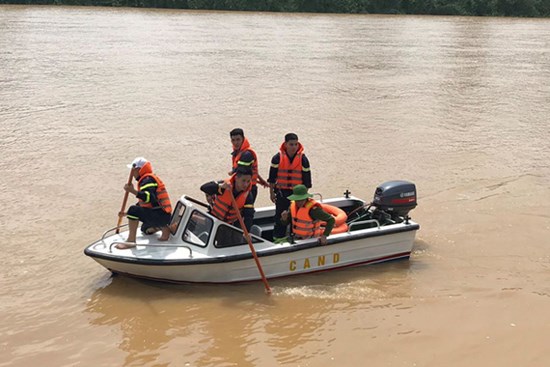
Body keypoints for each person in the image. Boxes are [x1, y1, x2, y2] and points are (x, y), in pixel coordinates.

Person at [116, 157, 172, 249]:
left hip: (161, 215)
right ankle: (164, 227)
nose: (132, 173)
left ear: (138, 169)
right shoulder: (148, 178)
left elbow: (149, 198)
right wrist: (125, 214)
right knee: (145, 229)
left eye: (133, 170)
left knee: (133, 210)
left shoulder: (147, 180)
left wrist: (132, 191)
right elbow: (144, 204)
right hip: (163, 215)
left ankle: (131, 241)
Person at [267, 133, 312, 243]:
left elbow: (307, 181)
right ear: (285, 144)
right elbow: (272, 178)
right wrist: (271, 193)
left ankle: (295, 238)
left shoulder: (303, 160)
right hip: (282, 193)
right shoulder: (277, 158)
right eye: (291, 144)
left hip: (298, 195)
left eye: (296, 144)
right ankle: (278, 239)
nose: (294, 147)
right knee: (280, 217)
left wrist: (303, 198)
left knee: (296, 217)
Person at [200, 166, 255, 232]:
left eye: (248, 181)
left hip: (229, 226)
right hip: (213, 220)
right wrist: (220, 186)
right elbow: (203, 187)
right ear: (236, 178)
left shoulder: (248, 196)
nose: (246, 184)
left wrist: (246, 232)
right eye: (243, 181)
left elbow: (248, 216)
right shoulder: (224, 185)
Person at [228, 128, 268, 203]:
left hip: (247, 188)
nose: (235, 143)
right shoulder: (239, 152)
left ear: (243, 139)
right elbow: (251, 169)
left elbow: (242, 171)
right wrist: (261, 180)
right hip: (245, 186)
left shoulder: (247, 154)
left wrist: (232, 172)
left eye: (238, 139)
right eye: (233, 140)